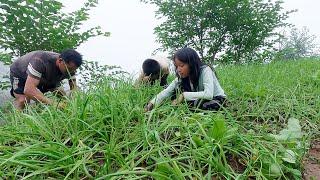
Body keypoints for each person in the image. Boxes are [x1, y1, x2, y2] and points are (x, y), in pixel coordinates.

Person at [145, 47, 227, 111]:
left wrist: (184, 95)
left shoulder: (205, 70)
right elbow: (166, 92)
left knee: (196, 103)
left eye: (181, 66)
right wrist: (151, 103)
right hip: (199, 100)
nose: (178, 70)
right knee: (182, 98)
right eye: (176, 66)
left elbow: (209, 94)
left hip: (217, 99)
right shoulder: (181, 78)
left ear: (191, 64)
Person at [9, 49, 83, 110]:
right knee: (23, 100)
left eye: (73, 70)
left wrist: (74, 104)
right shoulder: (40, 60)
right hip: (20, 73)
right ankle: (18, 122)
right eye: (69, 69)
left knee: (61, 94)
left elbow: (74, 89)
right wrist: (54, 103)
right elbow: (29, 90)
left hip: (46, 76)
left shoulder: (71, 67)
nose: (71, 72)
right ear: (60, 61)